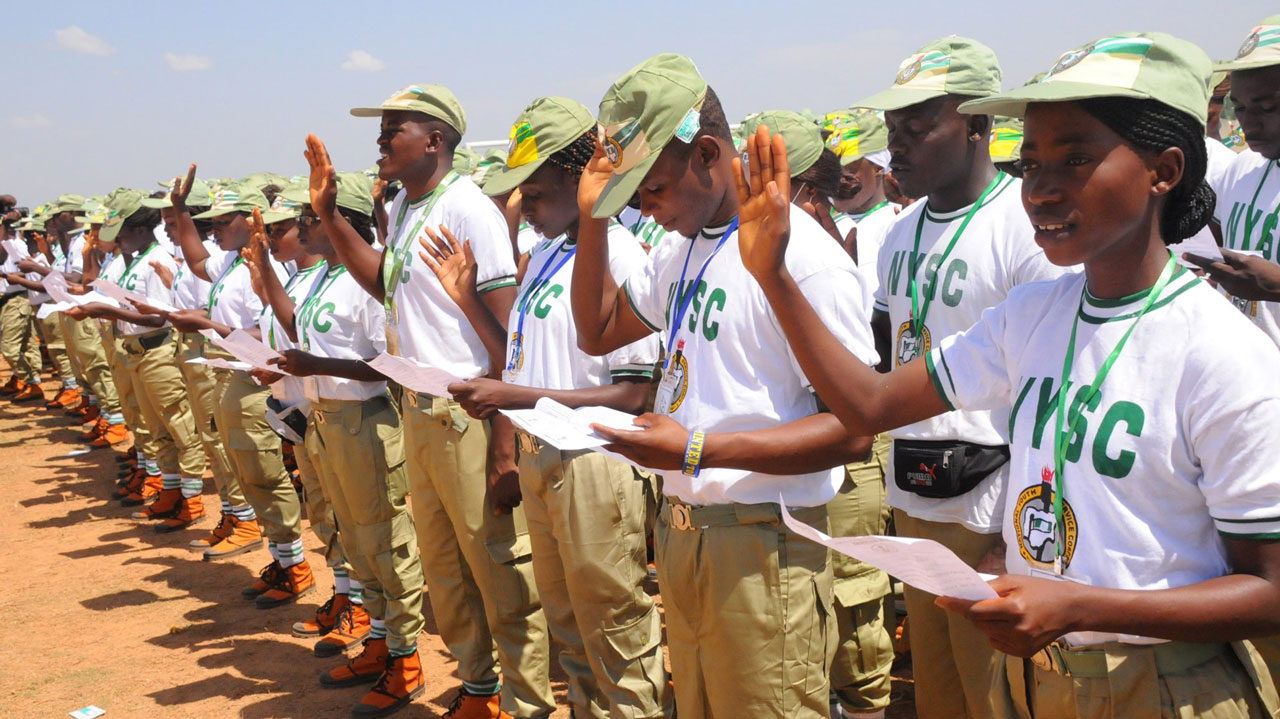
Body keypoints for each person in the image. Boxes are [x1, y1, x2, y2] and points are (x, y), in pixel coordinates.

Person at [741, 31, 1280, 719]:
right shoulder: (1031, 315)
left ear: (1164, 170)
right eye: (1029, 165)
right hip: (1039, 680)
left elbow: (1270, 592)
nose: (1042, 190)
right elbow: (871, 403)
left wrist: (1081, 605)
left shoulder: (1222, 353)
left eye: (1076, 159)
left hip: (1161, 684)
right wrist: (774, 275)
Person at [570, 54, 878, 719]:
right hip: (687, 535)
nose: (647, 210)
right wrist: (593, 219)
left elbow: (855, 431)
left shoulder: (805, 260)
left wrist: (697, 450)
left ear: (707, 153)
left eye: (652, 189)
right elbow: (595, 331)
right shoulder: (678, 248)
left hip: (764, 544)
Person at [418, 96, 671, 719]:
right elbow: (519, 361)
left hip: (594, 463)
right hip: (544, 459)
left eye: (533, 190)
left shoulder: (618, 255)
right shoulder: (549, 253)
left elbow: (633, 393)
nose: (523, 203)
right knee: (570, 632)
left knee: (615, 632)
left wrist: (516, 398)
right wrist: (469, 300)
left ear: (579, 177)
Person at [849, 36, 1074, 719]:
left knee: (997, 697)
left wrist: (1018, 537)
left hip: (991, 509)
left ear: (977, 124)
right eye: (892, 128)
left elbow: (1052, 393)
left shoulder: (1022, 229)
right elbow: (891, 360)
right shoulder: (898, 234)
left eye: (917, 126)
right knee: (940, 694)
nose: (897, 145)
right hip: (915, 497)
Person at [323, 82, 554, 719]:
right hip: (421, 413)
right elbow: (383, 283)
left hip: (469, 417)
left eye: (391, 130)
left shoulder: (469, 208)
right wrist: (331, 216)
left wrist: (504, 449)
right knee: (447, 572)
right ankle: (479, 690)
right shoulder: (404, 206)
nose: (380, 142)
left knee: (499, 571)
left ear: (434, 140)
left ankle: (527, 703)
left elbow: (509, 341)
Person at [250, 163, 429, 718]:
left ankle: (406, 657)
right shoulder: (326, 277)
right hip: (326, 421)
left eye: (312, 218)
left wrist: (317, 364)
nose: (303, 227)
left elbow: (388, 364)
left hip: (363, 422)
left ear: (343, 222)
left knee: (385, 543)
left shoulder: (365, 281)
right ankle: (379, 641)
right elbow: (299, 332)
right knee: (355, 541)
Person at [162, 174, 314, 604]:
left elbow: (272, 331)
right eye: (209, 222)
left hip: (256, 378)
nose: (213, 230)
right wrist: (181, 210)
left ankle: (295, 566)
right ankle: (282, 561)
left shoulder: (270, 266)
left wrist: (209, 326)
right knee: (247, 473)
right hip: (234, 372)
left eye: (222, 221)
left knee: (266, 473)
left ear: (250, 221)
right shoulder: (232, 261)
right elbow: (197, 261)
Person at [68, 188, 207, 530]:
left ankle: (192, 499)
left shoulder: (155, 261)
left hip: (158, 351)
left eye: (123, 234)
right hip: (135, 350)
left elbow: (158, 318)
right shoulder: (130, 261)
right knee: (156, 428)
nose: (118, 241)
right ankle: (169, 491)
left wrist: (108, 311)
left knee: (179, 425)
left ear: (142, 230)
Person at [1185, 16, 1280, 348]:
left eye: (1267, 107)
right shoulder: (1242, 168)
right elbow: (1212, 247)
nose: (1249, 122)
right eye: (1239, 107)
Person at [827, 108, 899, 279]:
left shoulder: (894, 224)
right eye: (832, 169)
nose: (838, 179)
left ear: (878, 167)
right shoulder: (824, 221)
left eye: (849, 170)